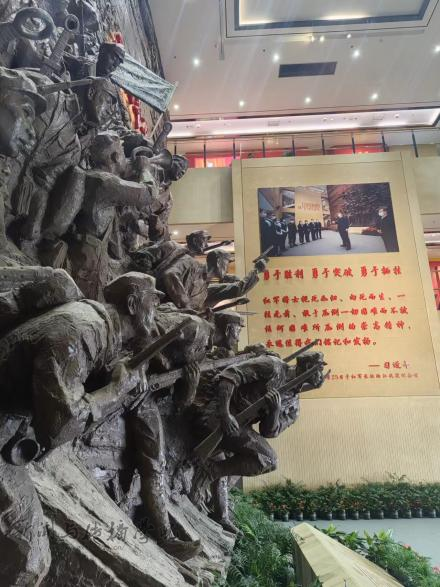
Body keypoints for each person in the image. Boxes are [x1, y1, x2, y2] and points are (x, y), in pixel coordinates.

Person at [191, 351, 326, 531]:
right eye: (319, 370)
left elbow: (269, 432)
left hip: (239, 428)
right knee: (267, 459)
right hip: (217, 416)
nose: (321, 377)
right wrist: (225, 414)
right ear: (308, 367)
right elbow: (229, 376)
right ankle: (210, 473)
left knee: (261, 461)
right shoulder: (273, 366)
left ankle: (218, 504)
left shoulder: (293, 405)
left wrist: (275, 410)